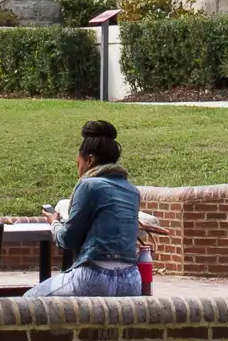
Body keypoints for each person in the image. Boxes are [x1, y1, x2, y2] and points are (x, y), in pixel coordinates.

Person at [24, 119, 142, 298]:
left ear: (89, 160)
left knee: (28, 303)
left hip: (94, 276)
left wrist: (54, 223)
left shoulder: (88, 185)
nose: (78, 170)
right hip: (131, 280)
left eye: (77, 164)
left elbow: (68, 240)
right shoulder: (132, 190)